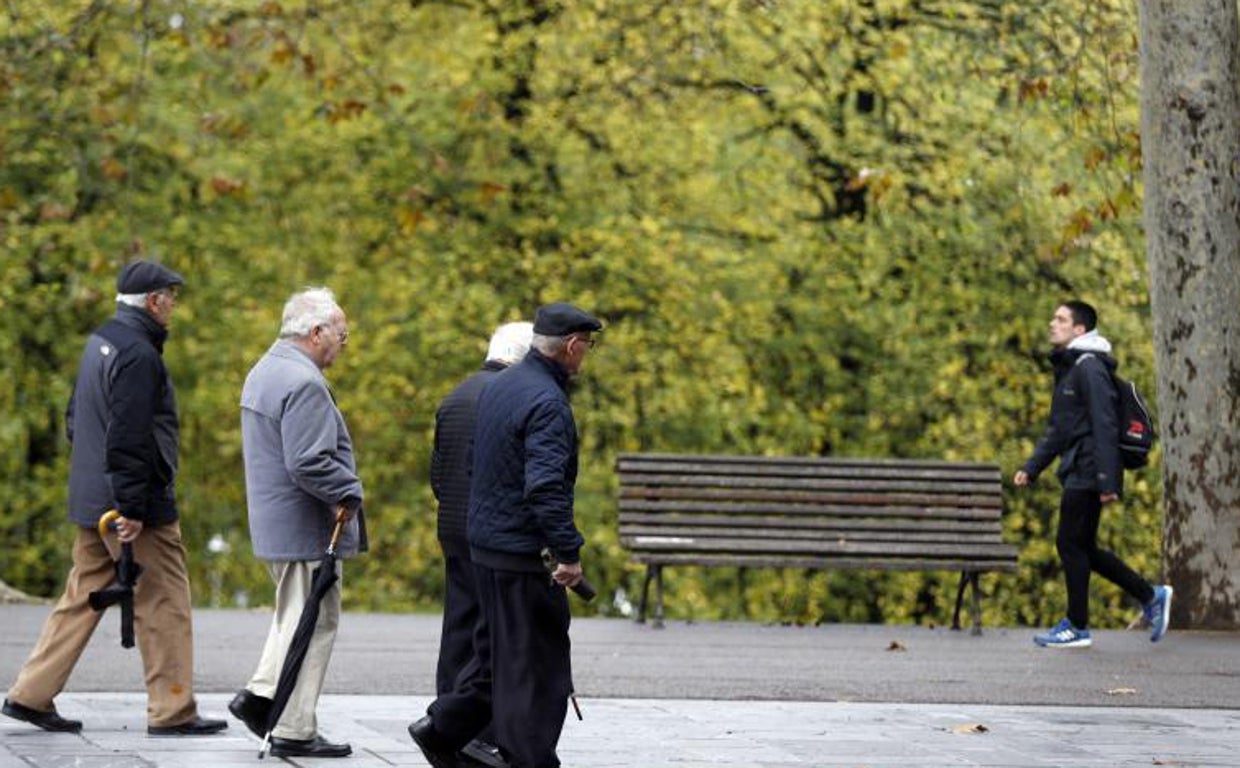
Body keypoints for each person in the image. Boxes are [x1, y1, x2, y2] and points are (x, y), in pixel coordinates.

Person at [2, 260, 227, 736]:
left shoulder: (100, 342)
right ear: (152, 301)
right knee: (164, 600)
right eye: (170, 296)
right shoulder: (139, 355)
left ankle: (30, 694)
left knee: (82, 595)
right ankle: (172, 710)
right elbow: (128, 436)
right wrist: (131, 506)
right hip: (129, 506)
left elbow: (75, 419)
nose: (174, 305)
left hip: (92, 496)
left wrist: (99, 487)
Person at [409, 302, 602, 768]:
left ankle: (442, 728)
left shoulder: (501, 387)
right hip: (523, 553)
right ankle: (527, 758)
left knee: (495, 655)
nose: (586, 356)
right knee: (537, 665)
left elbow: (474, 466)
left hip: (486, 548)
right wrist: (568, 553)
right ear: (572, 346)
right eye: (587, 347)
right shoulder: (548, 403)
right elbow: (545, 486)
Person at [228, 287, 366, 759]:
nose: (343, 344)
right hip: (305, 527)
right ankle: (292, 725)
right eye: (341, 335)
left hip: (276, 524)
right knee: (314, 621)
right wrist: (349, 490)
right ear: (316, 332)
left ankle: (261, 696)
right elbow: (308, 462)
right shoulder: (302, 381)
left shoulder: (265, 370)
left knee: (294, 616)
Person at [1014, 300, 1172, 649]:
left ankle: (1077, 625)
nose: (1052, 324)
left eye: (1060, 319)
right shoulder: (1073, 369)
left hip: (1089, 468)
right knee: (1082, 545)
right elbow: (1059, 429)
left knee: (1069, 543)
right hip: (1081, 465)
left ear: (1079, 329)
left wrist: (1107, 481)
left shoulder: (1089, 367)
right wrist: (1032, 467)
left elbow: (1105, 423)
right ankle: (1150, 594)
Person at [431, 321, 534, 768]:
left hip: (452, 527)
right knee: (493, 636)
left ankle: (444, 721)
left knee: (458, 629)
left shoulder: (455, 395)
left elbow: (438, 472)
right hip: (490, 534)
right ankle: (479, 732)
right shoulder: (509, 399)